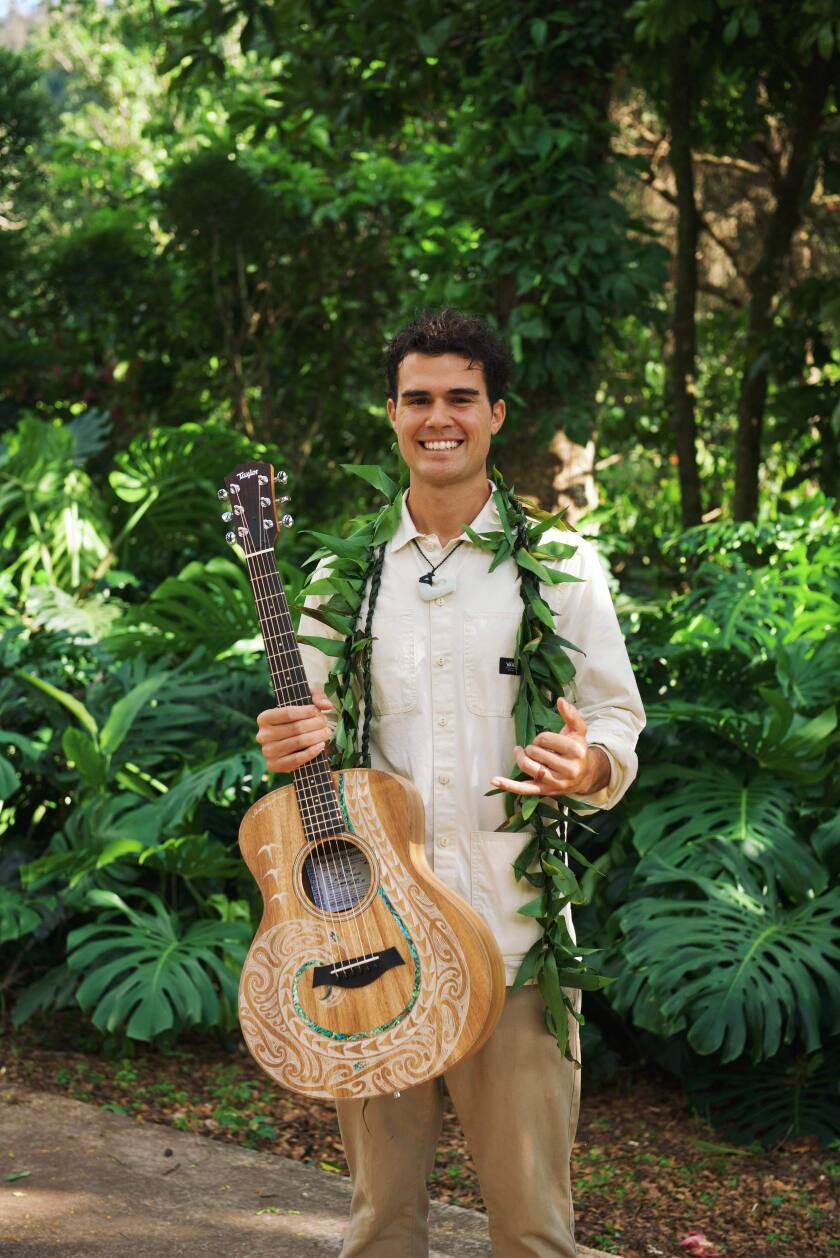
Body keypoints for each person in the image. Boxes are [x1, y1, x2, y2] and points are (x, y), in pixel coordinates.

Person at [255, 308, 645, 1258]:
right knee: (380, 1226)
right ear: (392, 414)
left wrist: (589, 762)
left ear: (496, 413)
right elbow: (307, 737)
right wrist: (283, 737)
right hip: (372, 952)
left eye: (460, 398)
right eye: (419, 398)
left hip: (515, 941)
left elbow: (617, 718)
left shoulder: (561, 569)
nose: (440, 417)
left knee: (533, 1232)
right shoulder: (337, 582)